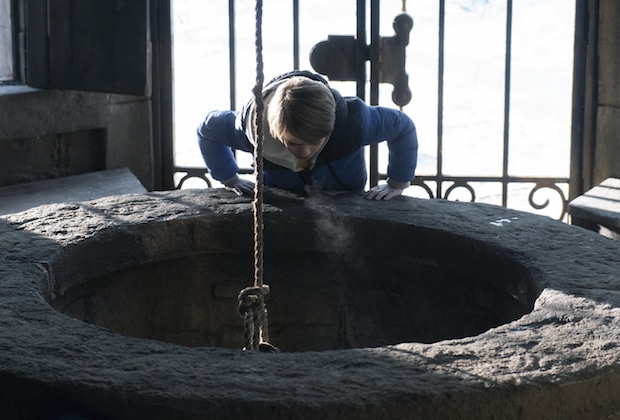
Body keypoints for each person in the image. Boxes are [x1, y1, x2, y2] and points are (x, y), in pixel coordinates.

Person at [197, 70, 418, 200]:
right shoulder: (253, 129)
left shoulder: (353, 122)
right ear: (275, 131)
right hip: (281, 200)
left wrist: (397, 183)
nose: (304, 153)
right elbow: (208, 130)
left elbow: (402, 127)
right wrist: (229, 177)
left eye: (314, 142)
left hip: (346, 196)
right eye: (291, 143)